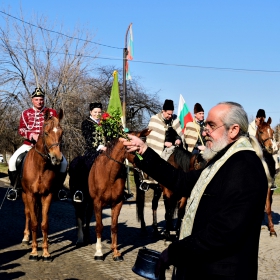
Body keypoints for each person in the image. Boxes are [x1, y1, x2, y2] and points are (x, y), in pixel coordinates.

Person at [122, 101, 268, 280]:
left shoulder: (246, 167)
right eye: (205, 124)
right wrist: (144, 151)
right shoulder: (220, 161)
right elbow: (180, 181)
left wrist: (175, 251)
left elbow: (224, 232)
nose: (204, 131)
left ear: (233, 130)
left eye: (211, 125)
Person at [7, 88, 68, 201]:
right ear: (32, 100)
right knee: (12, 161)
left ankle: (59, 189)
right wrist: (31, 135)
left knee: (64, 163)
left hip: (47, 146)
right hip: (29, 144)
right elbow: (21, 129)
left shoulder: (52, 112)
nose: (39, 101)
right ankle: (15, 188)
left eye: (41, 99)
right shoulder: (26, 113)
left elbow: (56, 127)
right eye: (37, 99)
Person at [73, 102, 133, 202]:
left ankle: (122, 190)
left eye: (99, 112)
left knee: (120, 166)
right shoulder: (86, 123)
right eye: (95, 112)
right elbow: (88, 137)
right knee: (87, 165)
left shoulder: (106, 122)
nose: (97, 114)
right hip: (93, 150)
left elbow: (112, 136)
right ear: (90, 112)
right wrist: (100, 147)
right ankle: (80, 190)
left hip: (108, 151)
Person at [140, 99, 185, 191]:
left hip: (174, 147)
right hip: (161, 148)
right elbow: (152, 138)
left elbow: (180, 134)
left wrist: (178, 139)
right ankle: (148, 181)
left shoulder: (175, 119)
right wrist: (164, 143)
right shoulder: (154, 119)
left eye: (171, 114)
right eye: (168, 114)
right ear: (163, 111)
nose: (170, 116)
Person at [248, 108, 279, 183]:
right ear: (256, 118)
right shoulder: (250, 127)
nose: (260, 119)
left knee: (272, 162)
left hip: (266, 153)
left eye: (263, 117)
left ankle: (272, 182)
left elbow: (272, 139)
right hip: (254, 152)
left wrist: (275, 146)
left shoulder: (267, 127)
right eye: (259, 117)